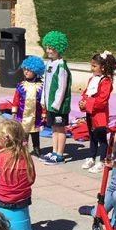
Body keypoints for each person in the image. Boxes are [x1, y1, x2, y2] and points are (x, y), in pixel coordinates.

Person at [79, 51, 116, 173]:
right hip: (90, 113)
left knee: (101, 138)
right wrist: (83, 102)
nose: (92, 68)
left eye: (94, 66)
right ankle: (91, 157)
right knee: (92, 136)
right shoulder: (92, 79)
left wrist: (88, 104)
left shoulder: (106, 82)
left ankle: (102, 161)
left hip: (100, 115)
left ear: (103, 67)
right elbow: (86, 93)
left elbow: (102, 100)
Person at [0, 120, 36, 212]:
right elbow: (31, 179)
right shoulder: (26, 156)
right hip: (23, 199)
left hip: (3, 199)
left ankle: (1, 224)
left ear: (3, 139)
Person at [40, 31, 72, 166]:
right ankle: (54, 151)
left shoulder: (61, 66)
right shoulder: (49, 64)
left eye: (50, 48)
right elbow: (46, 84)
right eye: (46, 47)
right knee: (54, 129)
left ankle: (59, 155)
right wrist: (43, 99)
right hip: (49, 104)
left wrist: (56, 103)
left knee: (60, 129)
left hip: (58, 106)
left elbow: (62, 87)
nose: (48, 51)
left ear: (58, 48)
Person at [11, 55, 45, 158]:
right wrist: (14, 111)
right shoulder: (21, 85)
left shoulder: (41, 86)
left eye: (29, 70)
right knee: (24, 134)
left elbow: (43, 101)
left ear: (36, 71)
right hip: (22, 115)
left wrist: (44, 112)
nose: (26, 72)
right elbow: (16, 99)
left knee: (35, 133)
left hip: (36, 114)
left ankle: (36, 148)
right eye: (25, 69)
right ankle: (23, 149)